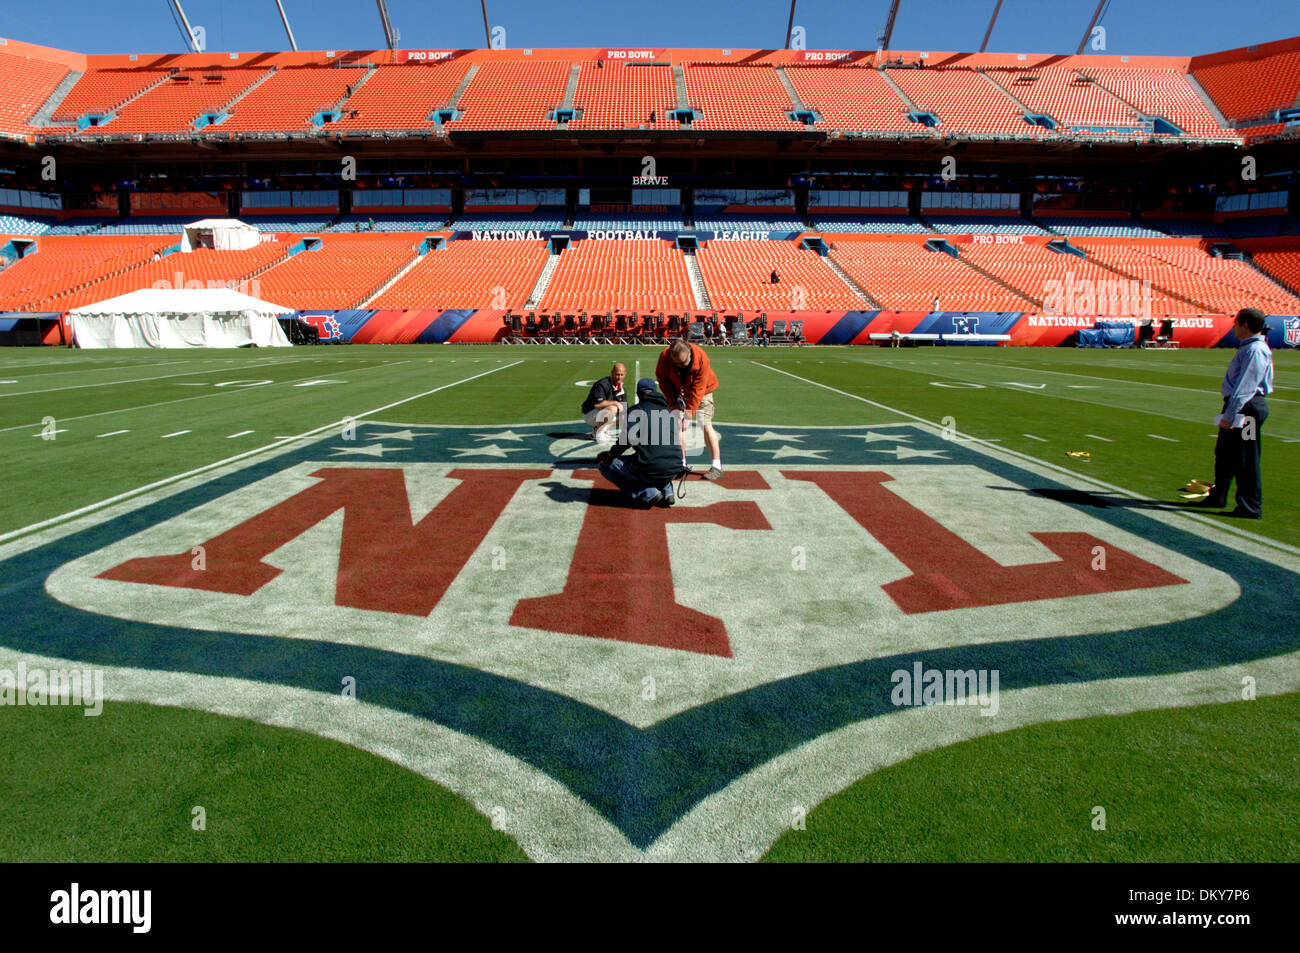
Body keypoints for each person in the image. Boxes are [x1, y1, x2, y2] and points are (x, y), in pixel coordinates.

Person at [1187, 308, 1273, 518]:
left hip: (1247, 410)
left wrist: (1230, 415)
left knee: (1246, 458)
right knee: (1224, 454)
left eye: (1236, 323)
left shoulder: (1255, 350)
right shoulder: (1249, 348)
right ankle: (1218, 496)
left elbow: (1246, 387)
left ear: (1244, 325)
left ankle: (1250, 506)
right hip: (1240, 408)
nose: (1233, 327)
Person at [596, 378, 683, 508]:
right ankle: (668, 492)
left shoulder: (635, 411)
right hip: (675, 468)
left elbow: (626, 440)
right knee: (660, 457)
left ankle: (649, 493)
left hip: (651, 467)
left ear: (638, 394)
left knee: (605, 465)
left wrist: (611, 454)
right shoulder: (669, 412)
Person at [656, 338, 723, 480]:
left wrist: (688, 414)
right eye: (677, 364)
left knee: (705, 425)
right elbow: (663, 380)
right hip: (679, 391)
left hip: (703, 391)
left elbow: (698, 389)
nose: (680, 366)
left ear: (689, 354)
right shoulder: (664, 357)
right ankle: (681, 465)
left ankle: (716, 466)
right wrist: (673, 403)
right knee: (678, 425)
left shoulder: (701, 356)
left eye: (683, 363)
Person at [581, 362, 627, 444]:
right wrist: (616, 403)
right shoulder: (602, 384)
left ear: (625, 375)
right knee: (613, 408)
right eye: (617, 374)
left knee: (624, 417)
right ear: (612, 373)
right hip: (590, 413)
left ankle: (601, 430)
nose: (619, 377)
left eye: (621, 375)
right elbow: (597, 404)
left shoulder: (622, 390)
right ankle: (598, 433)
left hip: (601, 414)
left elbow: (624, 410)